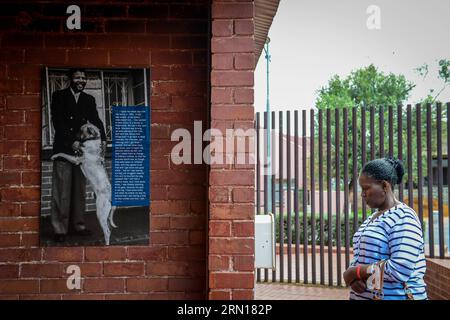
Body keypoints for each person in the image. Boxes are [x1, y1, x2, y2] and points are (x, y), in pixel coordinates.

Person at [343, 157, 427, 300]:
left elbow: (399, 269)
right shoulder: (373, 217)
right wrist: (355, 280)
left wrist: (355, 272)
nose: (362, 194)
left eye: (366, 188)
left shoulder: (404, 217)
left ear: (384, 186)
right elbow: (362, 256)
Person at [50, 69, 107, 243]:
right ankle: (60, 229)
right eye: (77, 77)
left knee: (79, 190)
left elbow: (96, 120)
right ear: (70, 79)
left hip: (82, 151)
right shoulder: (58, 96)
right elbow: (57, 122)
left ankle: (78, 226)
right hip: (64, 148)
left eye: (83, 78)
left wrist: (103, 139)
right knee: (62, 191)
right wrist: (70, 142)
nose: (81, 80)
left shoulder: (88, 99)